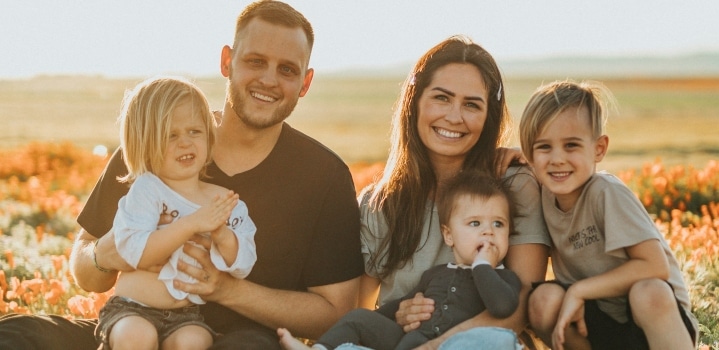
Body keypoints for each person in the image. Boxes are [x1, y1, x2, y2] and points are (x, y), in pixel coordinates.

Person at [0, 1, 364, 349]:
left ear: (305, 82)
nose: (269, 79)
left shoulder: (324, 176)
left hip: (237, 340)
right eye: (256, 61)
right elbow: (85, 269)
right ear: (227, 61)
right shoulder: (155, 144)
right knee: (15, 335)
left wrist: (225, 289)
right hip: (132, 329)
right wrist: (107, 254)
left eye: (287, 69)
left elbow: (336, 312)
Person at [355, 35, 551, 349]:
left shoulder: (514, 185)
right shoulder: (379, 202)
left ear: (489, 116)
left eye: (472, 105)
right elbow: (358, 311)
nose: (454, 116)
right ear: (415, 101)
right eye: (441, 98)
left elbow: (520, 308)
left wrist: (434, 345)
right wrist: (396, 315)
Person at [519, 80, 699, 350]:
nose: (557, 159)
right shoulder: (541, 191)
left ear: (599, 148)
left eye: (571, 145)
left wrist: (580, 290)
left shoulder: (606, 193)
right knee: (542, 300)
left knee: (647, 292)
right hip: (598, 320)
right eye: (544, 147)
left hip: (652, 321)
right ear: (529, 153)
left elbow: (655, 267)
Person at [95, 76, 258, 350]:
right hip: (132, 308)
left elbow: (243, 263)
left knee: (194, 341)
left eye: (194, 131)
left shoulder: (222, 200)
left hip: (186, 316)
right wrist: (192, 223)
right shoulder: (147, 190)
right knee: (136, 337)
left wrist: (222, 234)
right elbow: (136, 252)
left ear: (209, 134)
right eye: (171, 135)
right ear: (145, 144)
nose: (185, 142)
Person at [278, 170, 523, 350]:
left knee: (497, 342)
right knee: (358, 319)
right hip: (408, 344)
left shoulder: (504, 278)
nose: (488, 232)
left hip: (457, 345)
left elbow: (501, 307)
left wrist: (482, 265)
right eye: (475, 223)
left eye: (498, 224)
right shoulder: (435, 274)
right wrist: (382, 320)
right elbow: (399, 306)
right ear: (449, 235)